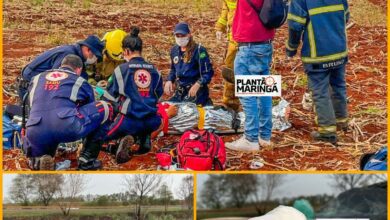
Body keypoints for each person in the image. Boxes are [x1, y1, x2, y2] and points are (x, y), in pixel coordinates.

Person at [81, 26, 164, 164]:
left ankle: (104, 151)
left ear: (125, 51)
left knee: (95, 137)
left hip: (130, 120)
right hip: (152, 121)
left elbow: (109, 98)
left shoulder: (122, 70)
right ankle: (143, 140)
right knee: (142, 119)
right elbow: (159, 96)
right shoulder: (155, 70)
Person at [23, 55, 113, 170]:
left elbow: (29, 104)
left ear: (61, 65)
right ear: (79, 69)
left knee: (45, 129)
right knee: (105, 107)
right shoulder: (80, 81)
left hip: (35, 129)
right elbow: (89, 108)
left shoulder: (37, 78)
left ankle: (37, 161)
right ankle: (86, 161)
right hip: (65, 125)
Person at [286, 0, 350, 144]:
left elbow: (295, 26)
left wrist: (291, 48)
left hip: (317, 55)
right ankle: (341, 121)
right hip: (339, 51)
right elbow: (345, 17)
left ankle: (327, 132)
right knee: (338, 86)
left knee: (320, 91)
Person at [225, 0, 275, 151]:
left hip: (249, 46)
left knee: (248, 94)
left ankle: (251, 139)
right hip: (265, 43)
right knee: (264, 91)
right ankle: (264, 136)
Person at [18, 35, 104, 101]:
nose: (95, 59)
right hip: (30, 88)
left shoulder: (74, 53)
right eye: (95, 55)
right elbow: (58, 83)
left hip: (36, 86)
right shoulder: (68, 55)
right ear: (87, 49)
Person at [164, 22, 214, 106]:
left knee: (186, 113)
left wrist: (198, 84)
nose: (180, 38)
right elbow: (173, 69)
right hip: (180, 91)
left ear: (189, 35)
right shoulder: (174, 50)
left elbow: (208, 72)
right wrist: (169, 80)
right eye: (177, 36)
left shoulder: (199, 51)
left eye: (183, 36)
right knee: (167, 108)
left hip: (195, 91)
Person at [215, 0, 241, 111]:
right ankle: (231, 104)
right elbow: (226, 10)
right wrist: (220, 26)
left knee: (254, 72)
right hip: (234, 39)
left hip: (252, 39)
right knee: (231, 72)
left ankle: (257, 107)